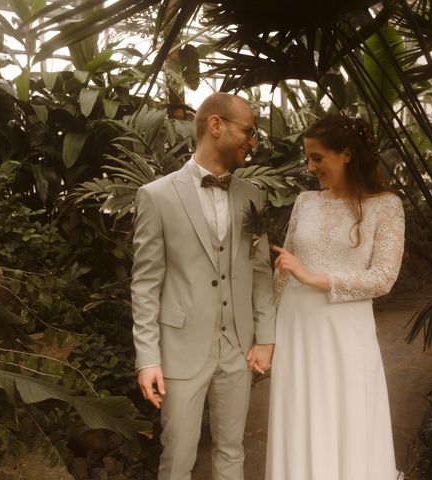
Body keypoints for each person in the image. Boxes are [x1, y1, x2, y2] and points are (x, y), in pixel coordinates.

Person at [131, 92, 276, 480]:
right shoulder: (157, 195)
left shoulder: (251, 195)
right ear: (216, 126)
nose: (253, 140)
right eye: (247, 130)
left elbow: (261, 273)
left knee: (232, 450)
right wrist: (148, 358)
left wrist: (266, 337)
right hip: (181, 348)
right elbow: (145, 283)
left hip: (237, 346)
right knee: (178, 454)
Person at [266, 114, 405, 479]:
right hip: (296, 327)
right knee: (299, 413)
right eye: (308, 158)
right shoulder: (305, 202)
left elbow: (383, 278)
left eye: (317, 158)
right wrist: (264, 335)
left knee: (347, 415)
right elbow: (283, 271)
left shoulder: (387, 206)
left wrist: (314, 277)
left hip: (346, 332)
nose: (311, 167)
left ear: (345, 154)